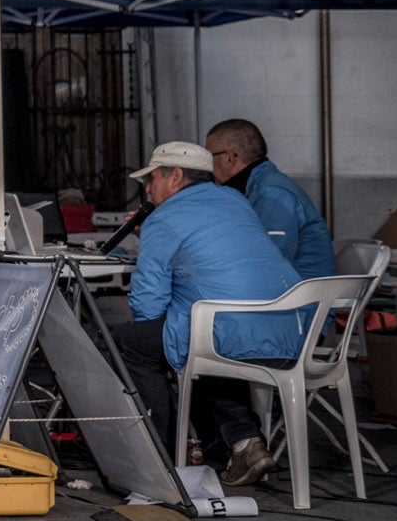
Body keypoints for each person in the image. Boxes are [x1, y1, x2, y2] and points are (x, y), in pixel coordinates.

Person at [118, 141, 305, 489]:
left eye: (152, 179)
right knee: (195, 340)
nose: (147, 189)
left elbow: (147, 302)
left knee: (132, 345)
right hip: (287, 331)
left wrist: (153, 240)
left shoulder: (164, 217)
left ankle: (157, 455)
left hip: (229, 333)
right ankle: (240, 444)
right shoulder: (236, 201)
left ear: (174, 177)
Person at [206, 118, 335, 280]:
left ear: (229, 159)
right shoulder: (258, 187)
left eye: (209, 158)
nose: (208, 166)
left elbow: (267, 263)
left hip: (301, 301)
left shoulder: (272, 193)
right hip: (288, 293)